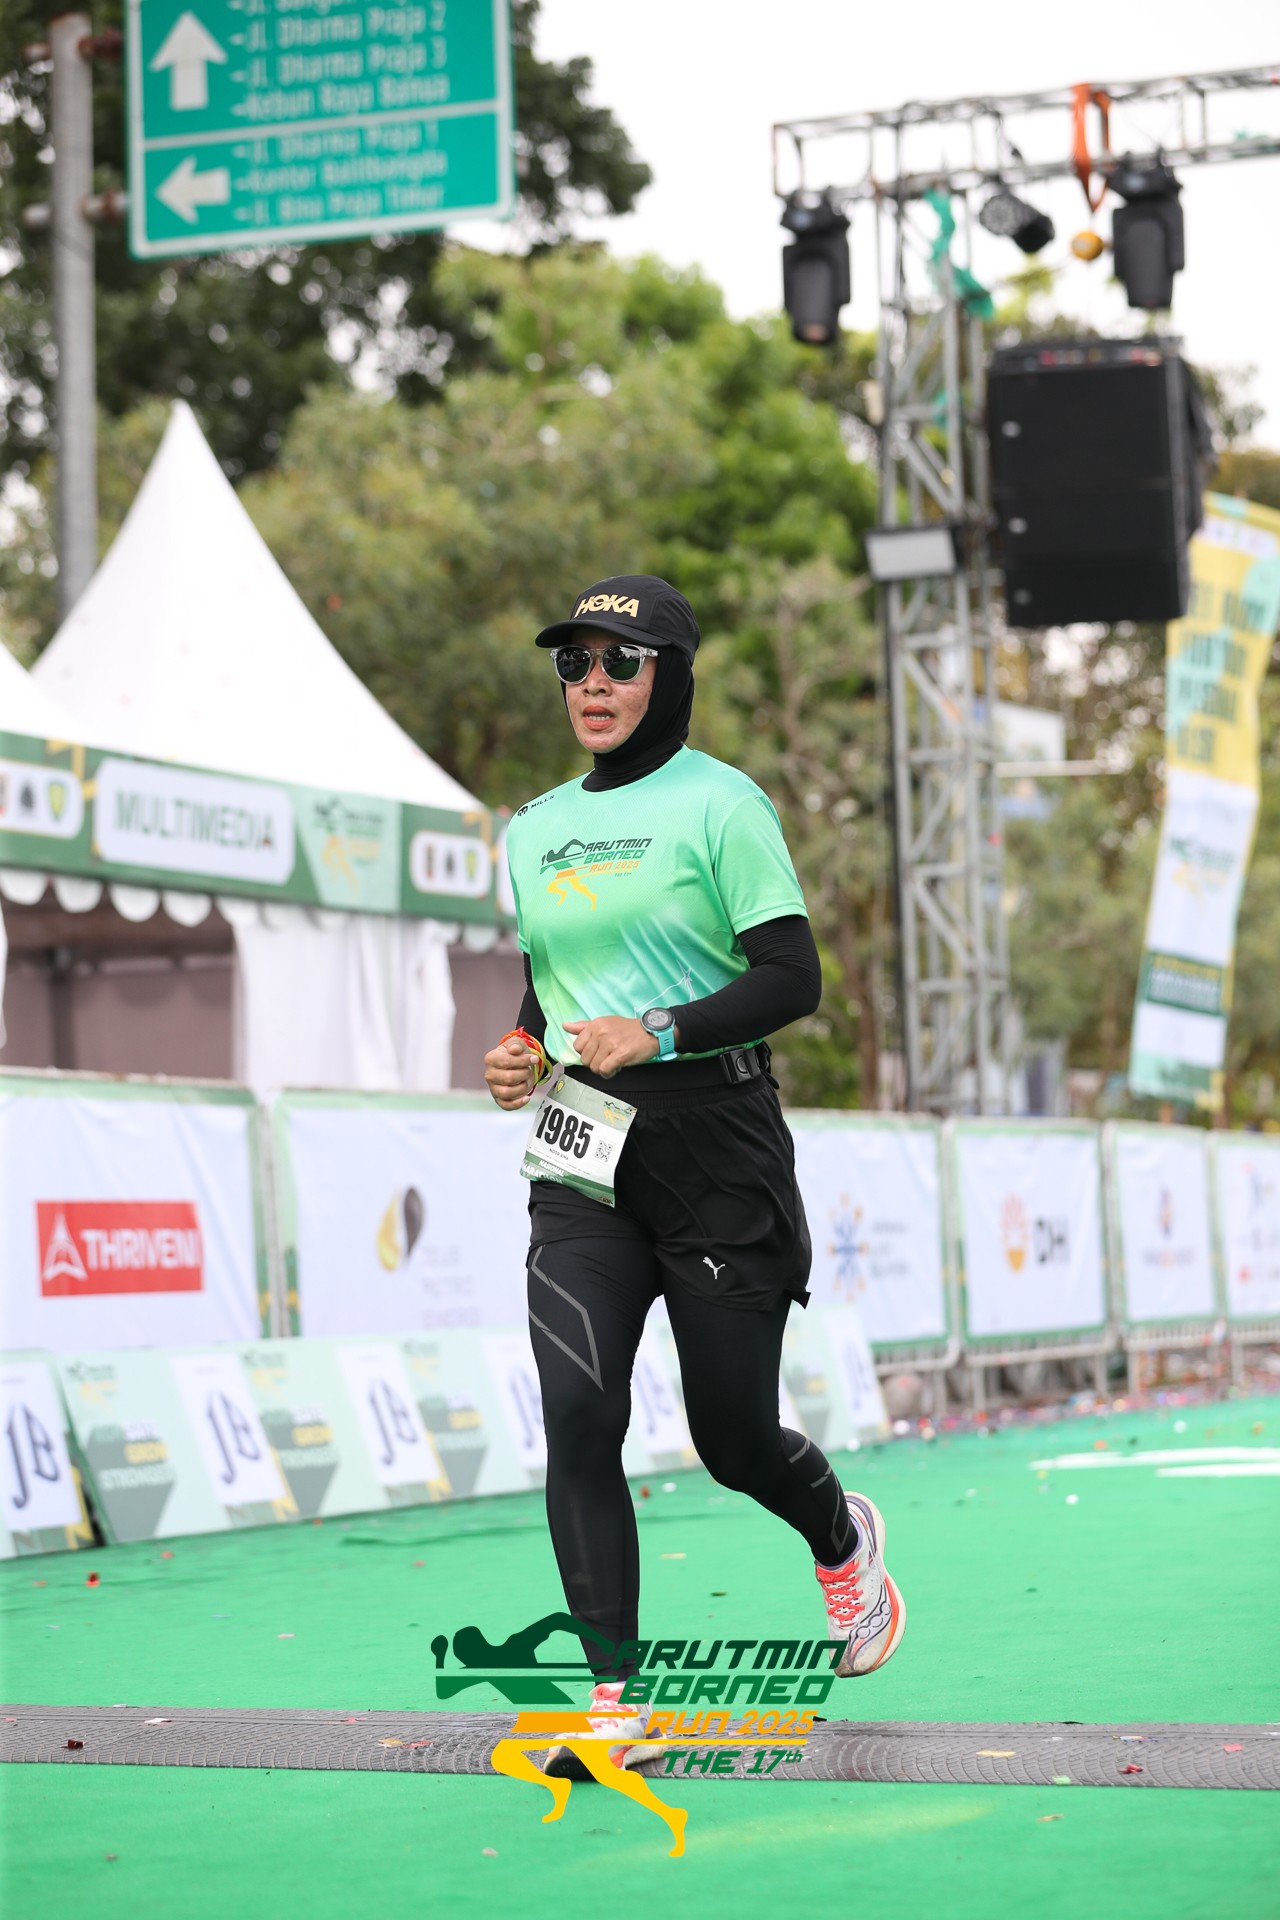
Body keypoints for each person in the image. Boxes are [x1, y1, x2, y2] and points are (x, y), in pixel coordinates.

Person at [486, 575, 905, 1778]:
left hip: (715, 1147)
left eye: (619, 662)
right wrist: (522, 1049)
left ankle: (841, 1537)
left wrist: (660, 1029)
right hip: (582, 1155)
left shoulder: (724, 805)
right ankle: (613, 1701)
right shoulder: (532, 827)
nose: (593, 684)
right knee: (579, 1414)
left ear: (668, 673)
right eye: (573, 663)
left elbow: (790, 977)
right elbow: (550, 984)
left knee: (730, 1437)